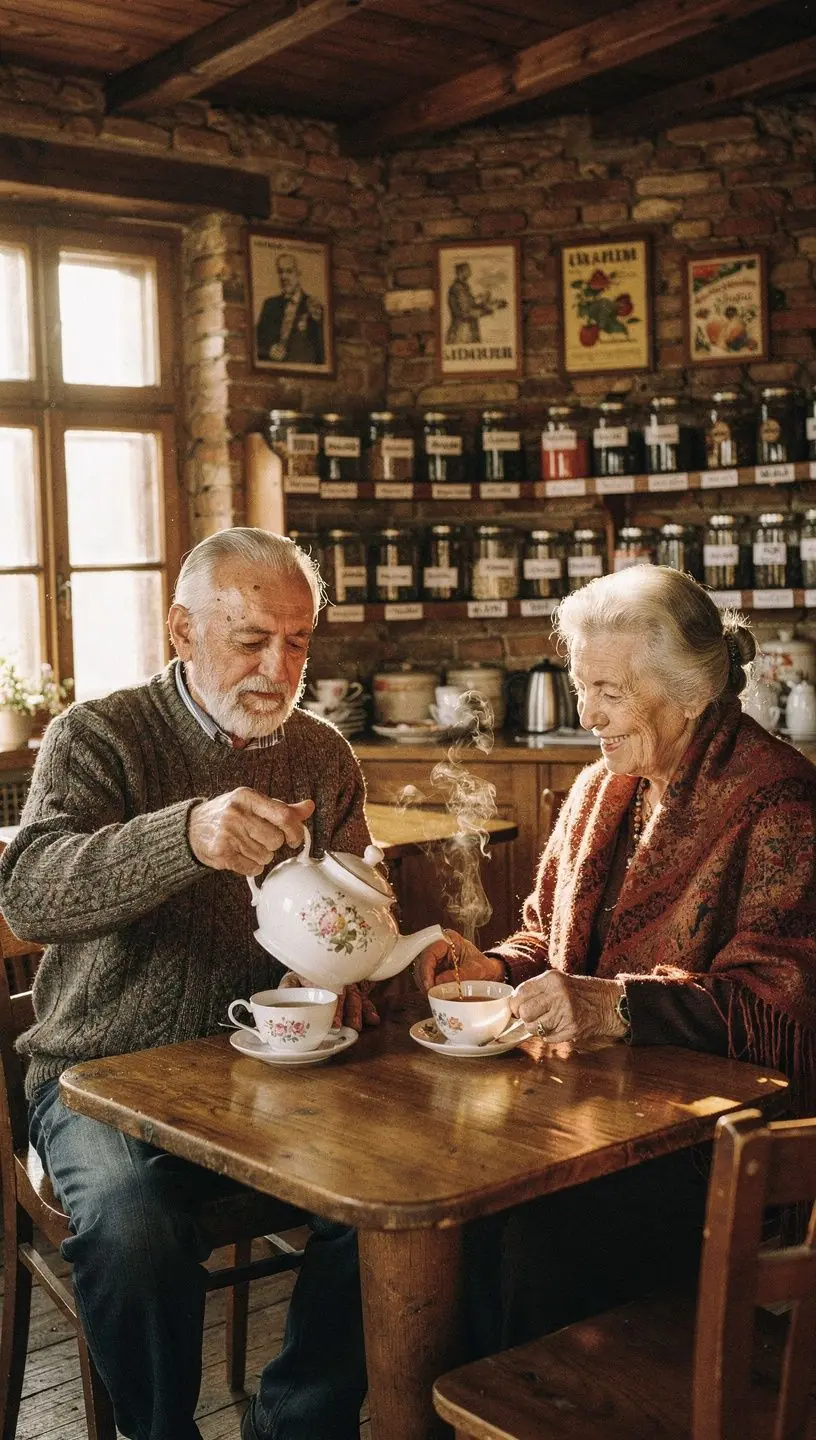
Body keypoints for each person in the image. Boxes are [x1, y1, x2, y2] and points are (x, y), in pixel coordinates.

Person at [0, 528, 375, 1440]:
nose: (278, 668)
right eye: (251, 640)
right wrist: (188, 836)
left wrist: (345, 966)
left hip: (270, 1075)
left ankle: (295, 1423)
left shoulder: (323, 754)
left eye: (297, 643)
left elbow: (354, 902)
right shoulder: (100, 735)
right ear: (181, 630)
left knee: (396, 1203)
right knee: (134, 1226)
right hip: (99, 1076)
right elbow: (30, 892)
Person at [418, 564, 816, 1350]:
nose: (586, 714)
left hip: (714, 1143)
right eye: (580, 687)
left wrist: (617, 1005)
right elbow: (547, 939)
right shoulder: (604, 787)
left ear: (691, 693)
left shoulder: (781, 801)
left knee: (533, 1234)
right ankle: (470, 1402)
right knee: (449, 1195)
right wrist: (494, 968)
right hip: (587, 1111)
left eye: (610, 691)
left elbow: (779, 1006)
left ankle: (549, 1400)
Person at [255, 252, 325, 365]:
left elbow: (319, 352)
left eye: (289, 271)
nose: (284, 277)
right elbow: (257, 340)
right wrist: (270, 350)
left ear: (299, 274)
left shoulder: (313, 306)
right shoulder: (270, 305)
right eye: (280, 272)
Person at [445, 260, 507, 345]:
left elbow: (469, 305)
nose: (470, 273)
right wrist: (489, 309)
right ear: (461, 272)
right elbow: (466, 312)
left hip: (467, 330)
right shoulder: (458, 288)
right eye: (468, 270)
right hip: (462, 332)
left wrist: (483, 302)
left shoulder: (463, 287)